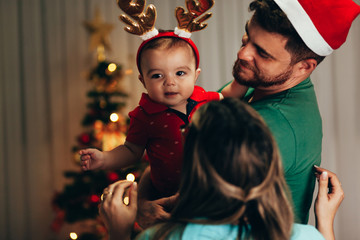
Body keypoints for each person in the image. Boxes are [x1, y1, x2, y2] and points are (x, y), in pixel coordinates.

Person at [98, 98, 344, 240]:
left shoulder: (160, 237)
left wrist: (119, 232)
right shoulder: (303, 237)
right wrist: (325, 222)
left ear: (195, 167)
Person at [216, 0, 359, 224]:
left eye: (263, 53)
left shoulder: (271, 126)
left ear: (304, 67)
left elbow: (201, 206)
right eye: (247, 37)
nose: (243, 53)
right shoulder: (259, 81)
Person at [80, 1, 221, 198]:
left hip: (210, 190)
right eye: (157, 76)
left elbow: (234, 94)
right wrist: (104, 159)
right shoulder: (144, 116)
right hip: (166, 196)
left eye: (180, 73)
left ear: (195, 75)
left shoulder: (206, 101)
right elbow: (131, 150)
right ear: (143, 81)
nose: (169, 83)